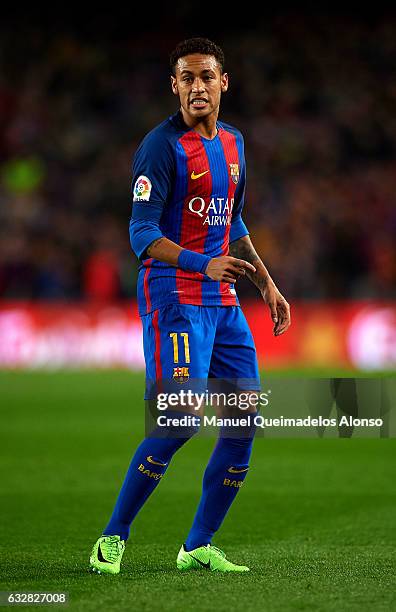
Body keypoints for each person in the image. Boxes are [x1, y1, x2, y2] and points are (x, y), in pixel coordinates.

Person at [89, 37, 291, 575]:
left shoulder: (234, 143)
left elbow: (233, 221)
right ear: (174, 86)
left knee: (243, 421)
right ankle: (113, 535)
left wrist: (267, 285)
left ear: (224, 82)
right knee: (179, 420)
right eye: (186, 78)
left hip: (222, 301)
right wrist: (204, 265)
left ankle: (198, 545)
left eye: (206, 77)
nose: (197, 87)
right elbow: (141, 232)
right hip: (174, 296)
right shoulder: (160, 147)